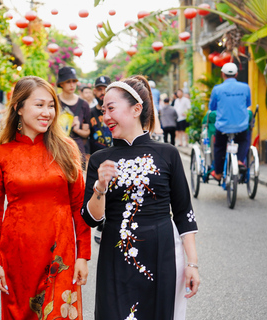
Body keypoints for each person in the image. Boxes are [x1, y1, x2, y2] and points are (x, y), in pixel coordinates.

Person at [81, 76, 200, 319]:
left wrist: (193, 263)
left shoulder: (168, 154)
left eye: (111, 108)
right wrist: (100, 187)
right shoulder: (99, 159)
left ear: (136, 109)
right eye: (103, 110)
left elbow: (183, 212)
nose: (105, 117)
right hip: (115, 257)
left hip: (162, 254)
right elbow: (92, 219)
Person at [0, 76, 91, 320]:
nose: (47, 112)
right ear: (19, 108)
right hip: (17, 257)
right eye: (39, 105)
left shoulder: (66, 148)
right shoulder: (3, 155)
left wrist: (82, 255)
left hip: (59, 254)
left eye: (51, 105)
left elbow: (79, 206)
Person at [208, 62, 251, 181]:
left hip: (223, 126)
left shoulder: (217, 89)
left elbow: (212, 107)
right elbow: (248, 104)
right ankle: (239, 160)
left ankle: (218, 173)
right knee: (243, 140)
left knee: (219, 147)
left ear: (223, 74)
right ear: (236, 74)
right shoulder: (245, 87)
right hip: (241, 126)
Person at [89, 76, 113, 244]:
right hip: (95, 157)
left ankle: (106, 223)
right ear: (94, 91)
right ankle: (100, 221)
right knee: (97, 190)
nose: (102, 92)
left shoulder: (115, 111)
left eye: (105, 88)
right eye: (99, 89)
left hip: (114, 155)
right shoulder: (90, 113)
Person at [57, 66, 91, 166]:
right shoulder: (53, 101)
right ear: (61, 83)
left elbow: (87, 133)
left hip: (77, 152)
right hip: (58, 150)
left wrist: (77, 130)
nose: (72, 85)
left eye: (74, 81)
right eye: (68, 81)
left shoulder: (83, 104)